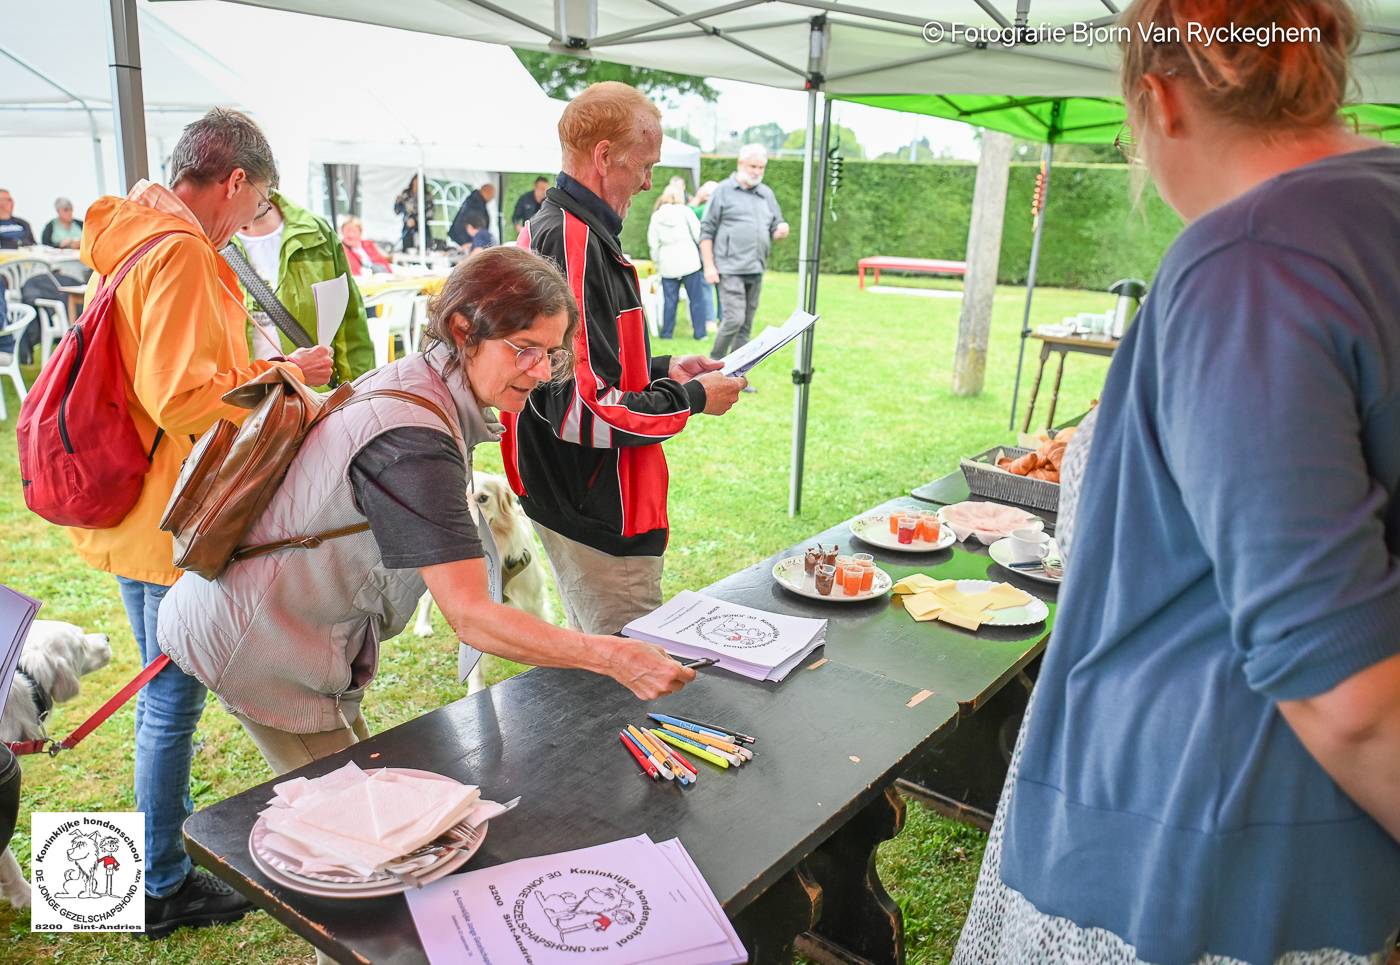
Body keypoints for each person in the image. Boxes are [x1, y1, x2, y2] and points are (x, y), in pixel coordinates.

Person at [955, 2, 1400, 962]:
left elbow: (1350, 691)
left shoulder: (1252, 259)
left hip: (1190, 845)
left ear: (1158, 100)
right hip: (1303, 836)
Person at [158, 244, 694, 778]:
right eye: (524, 348)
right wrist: (614, 657)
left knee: (370, 789)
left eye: (551, 354)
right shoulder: (413, 437)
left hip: (283, 626)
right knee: (350, 823)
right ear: (463, 330)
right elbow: (473, 617)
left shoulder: (423, 379)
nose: (537, 371)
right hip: (259, 644)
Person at [71, 106, 333, 938]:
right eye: (251, 206)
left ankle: (158, 862)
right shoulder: (180, 252)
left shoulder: (134, 231)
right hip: (166, 514)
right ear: (233, 182)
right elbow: (183, 395)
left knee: (166, 696)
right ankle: (159, 881)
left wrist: (259, 363)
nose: (247, 222)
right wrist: (286, 372)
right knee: (168, 702)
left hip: (131, 500)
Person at [505, 81, 747, 635]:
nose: (648, 181)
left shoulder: (570, 230)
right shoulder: (573, 243)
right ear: (604, 156)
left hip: (578, 495)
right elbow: (581, 411)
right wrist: (691, 398)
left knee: (605, 657)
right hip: (597, 507)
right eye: (644, 164)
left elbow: (585, 364)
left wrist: (662, 369)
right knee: (625, 675)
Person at [228, 189, 374, 385]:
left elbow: (349, 325)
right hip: (239, 405)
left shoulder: (315, 232)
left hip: (313, 402)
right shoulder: (207, 238)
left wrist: (358, 393)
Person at [700, 144, 789, 371]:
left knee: (746, 325)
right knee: (734, 319)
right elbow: (707, 230)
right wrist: (709, 266)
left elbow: (775, 223)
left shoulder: (766, 194)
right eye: (753, 166)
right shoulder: (722, 191)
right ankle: (712, 367)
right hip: (729, 267)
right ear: (740, 164)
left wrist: (780, 229)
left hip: (756, 267)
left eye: (761, 167)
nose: (757, 171)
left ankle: (737, 373)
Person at [646, 185, 710, 339]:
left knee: (669, 300)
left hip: (667, 260)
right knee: (696, 299)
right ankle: (700, 333)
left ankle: (667, 333)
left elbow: (653, 243)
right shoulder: (686, 211)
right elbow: (698, 234)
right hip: (689, 259)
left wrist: (657, 262)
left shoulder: (657, 215)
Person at [448, 182, 495, 248]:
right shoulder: (476, 204)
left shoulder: (473, 200)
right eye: (492, 195)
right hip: (464, 240)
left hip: (462, 238)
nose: (492, 198)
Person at [394, 174, 432, 251]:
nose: (416, 184)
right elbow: (397, 210)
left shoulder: (427, 196)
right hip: (408, 227)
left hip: (422, 227)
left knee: (425, 248)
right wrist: (397, 202)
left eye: (419, 182)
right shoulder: (405, 194)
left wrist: (416, 220)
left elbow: (430, 214)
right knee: (408, 249)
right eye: (415, 182)